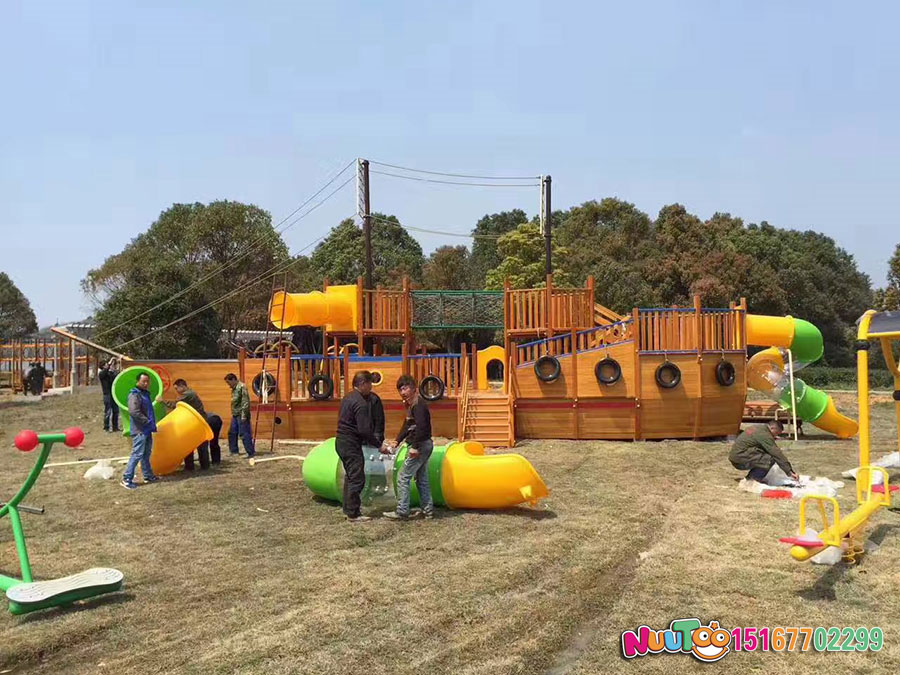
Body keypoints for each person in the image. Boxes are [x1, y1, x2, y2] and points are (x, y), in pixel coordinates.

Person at [382, 375, 434, 520]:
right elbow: (408, 425)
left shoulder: (418, 405)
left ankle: (402, 511)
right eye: (400, 390)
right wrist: (397, 440)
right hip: (423, 444)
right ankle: (427, 510)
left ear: (413, 388)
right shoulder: (411, 404)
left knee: (402, 477)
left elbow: (422, 428)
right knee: (421, 478)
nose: (403, 392)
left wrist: (415, 447)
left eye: (405, 388)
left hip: (421, 445)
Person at [335, 371, 382, 522]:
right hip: (351, 444)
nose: (371, 388)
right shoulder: (361, 403)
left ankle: (348, 508)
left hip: (340, 441)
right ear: (362, 384)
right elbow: (364, 430)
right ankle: (354, 514)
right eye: (369, 384)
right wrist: (379, 445)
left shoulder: (347, 398)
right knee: (357, 478)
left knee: (350, 476)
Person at [122, 372, 159, 490]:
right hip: (140, 429)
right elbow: (134, 411)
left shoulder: (145, 394)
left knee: (146, 453)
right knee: (137, 454)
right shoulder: (134, 394)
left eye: (147, 381)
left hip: (147, 429)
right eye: (144, 381)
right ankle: (127, 478)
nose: (146, 383)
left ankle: (148, 475)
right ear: (138, 381)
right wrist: (146, 421)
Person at [728, 420, 798, 483]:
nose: (776, 435)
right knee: (769, 459)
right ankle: (752, 480)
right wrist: (789, 471)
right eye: (776, 433)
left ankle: (753, 477)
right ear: (772, 428)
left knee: (765, 456)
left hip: (737, 456)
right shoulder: (764, 435)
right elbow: (776, 453)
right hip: (740, 458)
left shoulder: (757, 428)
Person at [172, 378, 213, 471]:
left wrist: (162, 401)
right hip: (198, 422)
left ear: (182, 386)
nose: (176, 391)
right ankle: (204, 466)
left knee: (189, 444)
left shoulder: (188, 394)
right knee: (201, 445)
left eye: (176, 388)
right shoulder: (191, 393)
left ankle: (190, 467)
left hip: (196, 423)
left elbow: (175, 405)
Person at [224, 373, 255, 458]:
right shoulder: (234, 388)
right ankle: (234, 451)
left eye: (229, 382)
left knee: (244, 433)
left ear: (233, 379)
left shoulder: (242, 387)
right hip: (235, 414)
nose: (228, 385)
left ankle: (250, 452)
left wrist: (244, 415)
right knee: (232, 432)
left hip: (241, 414)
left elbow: (245, 402)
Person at [98, 360, 120, 432]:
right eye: (106, 364)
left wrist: (115, 369)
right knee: (108, 412)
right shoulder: (102, 374)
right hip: (107, 395)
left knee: (116, 411)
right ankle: (106, 427)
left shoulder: (110, 374)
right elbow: (105, 371)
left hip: (113, 394)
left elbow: (116, 377)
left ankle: (115, 427)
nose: (108, 365)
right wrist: (110, 363)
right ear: (103, 366)